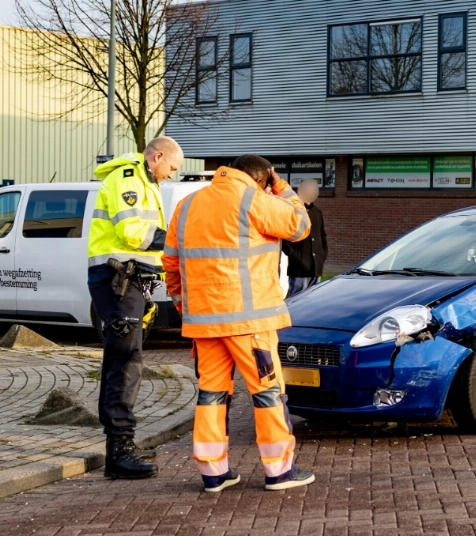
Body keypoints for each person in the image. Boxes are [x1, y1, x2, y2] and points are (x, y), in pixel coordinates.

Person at [163, 154, 315, 493]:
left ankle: (214, 474)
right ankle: (279, 471)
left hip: (204, 323)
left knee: (212, 394)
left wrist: (182, 302)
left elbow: (171, 262)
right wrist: (283, 186)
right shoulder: (254, 199)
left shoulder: (188, 205)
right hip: (250, 323)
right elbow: (300, 225)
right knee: (268, 393)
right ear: (262, 179)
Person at [87, 135, 184, 480]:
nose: (171, 175)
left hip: (132, 280)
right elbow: (131, 232)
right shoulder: (127, 179)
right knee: (125, 359)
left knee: (129, 357)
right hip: (117, 279)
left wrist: (152, 292)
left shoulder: (146, 181)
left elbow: (147, 255)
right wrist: (176, 236)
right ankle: (119, 451)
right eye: (172, 167)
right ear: (157, 156)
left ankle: (122, 444)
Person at [282, 179, 328, 298]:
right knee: (296, 300)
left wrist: (322, 255)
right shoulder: (291, 210)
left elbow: (322, 235)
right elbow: (284, 236)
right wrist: (295, 255)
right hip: (299, 268)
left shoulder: (317, 212)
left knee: (313, 302)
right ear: (299, 190)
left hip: (316, 268)